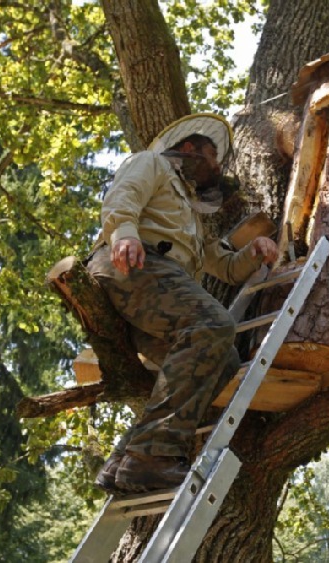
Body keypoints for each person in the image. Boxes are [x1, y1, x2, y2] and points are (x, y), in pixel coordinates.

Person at [86, 113, 278, 494]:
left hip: (154, 293)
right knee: (213, 323)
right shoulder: (151, 163)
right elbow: (123, 196)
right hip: (131, 264)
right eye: (213, 155)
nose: (218, 166)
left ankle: (127, 458)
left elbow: (223, 266)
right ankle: (153, 456)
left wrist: (255, 252)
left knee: (223, 360)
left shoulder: (193, 215)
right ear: (188, 148)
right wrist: (124, 233)